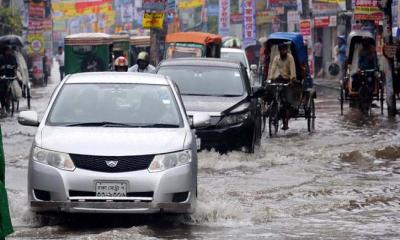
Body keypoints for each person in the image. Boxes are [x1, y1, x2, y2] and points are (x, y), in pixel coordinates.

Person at [268, 43, 297, 130]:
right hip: (280, 78)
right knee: (270, 92)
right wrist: (270, 78)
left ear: (286, 50)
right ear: (279, 51)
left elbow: (292, 69)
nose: (283, 51)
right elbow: (273, 69)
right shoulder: (276, 58)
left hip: (289, 80)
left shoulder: (290, 58)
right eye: (282, 50)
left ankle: (286, 123)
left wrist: (292, 79)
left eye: (285, 50)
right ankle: (272, 108)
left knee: (286, 103)